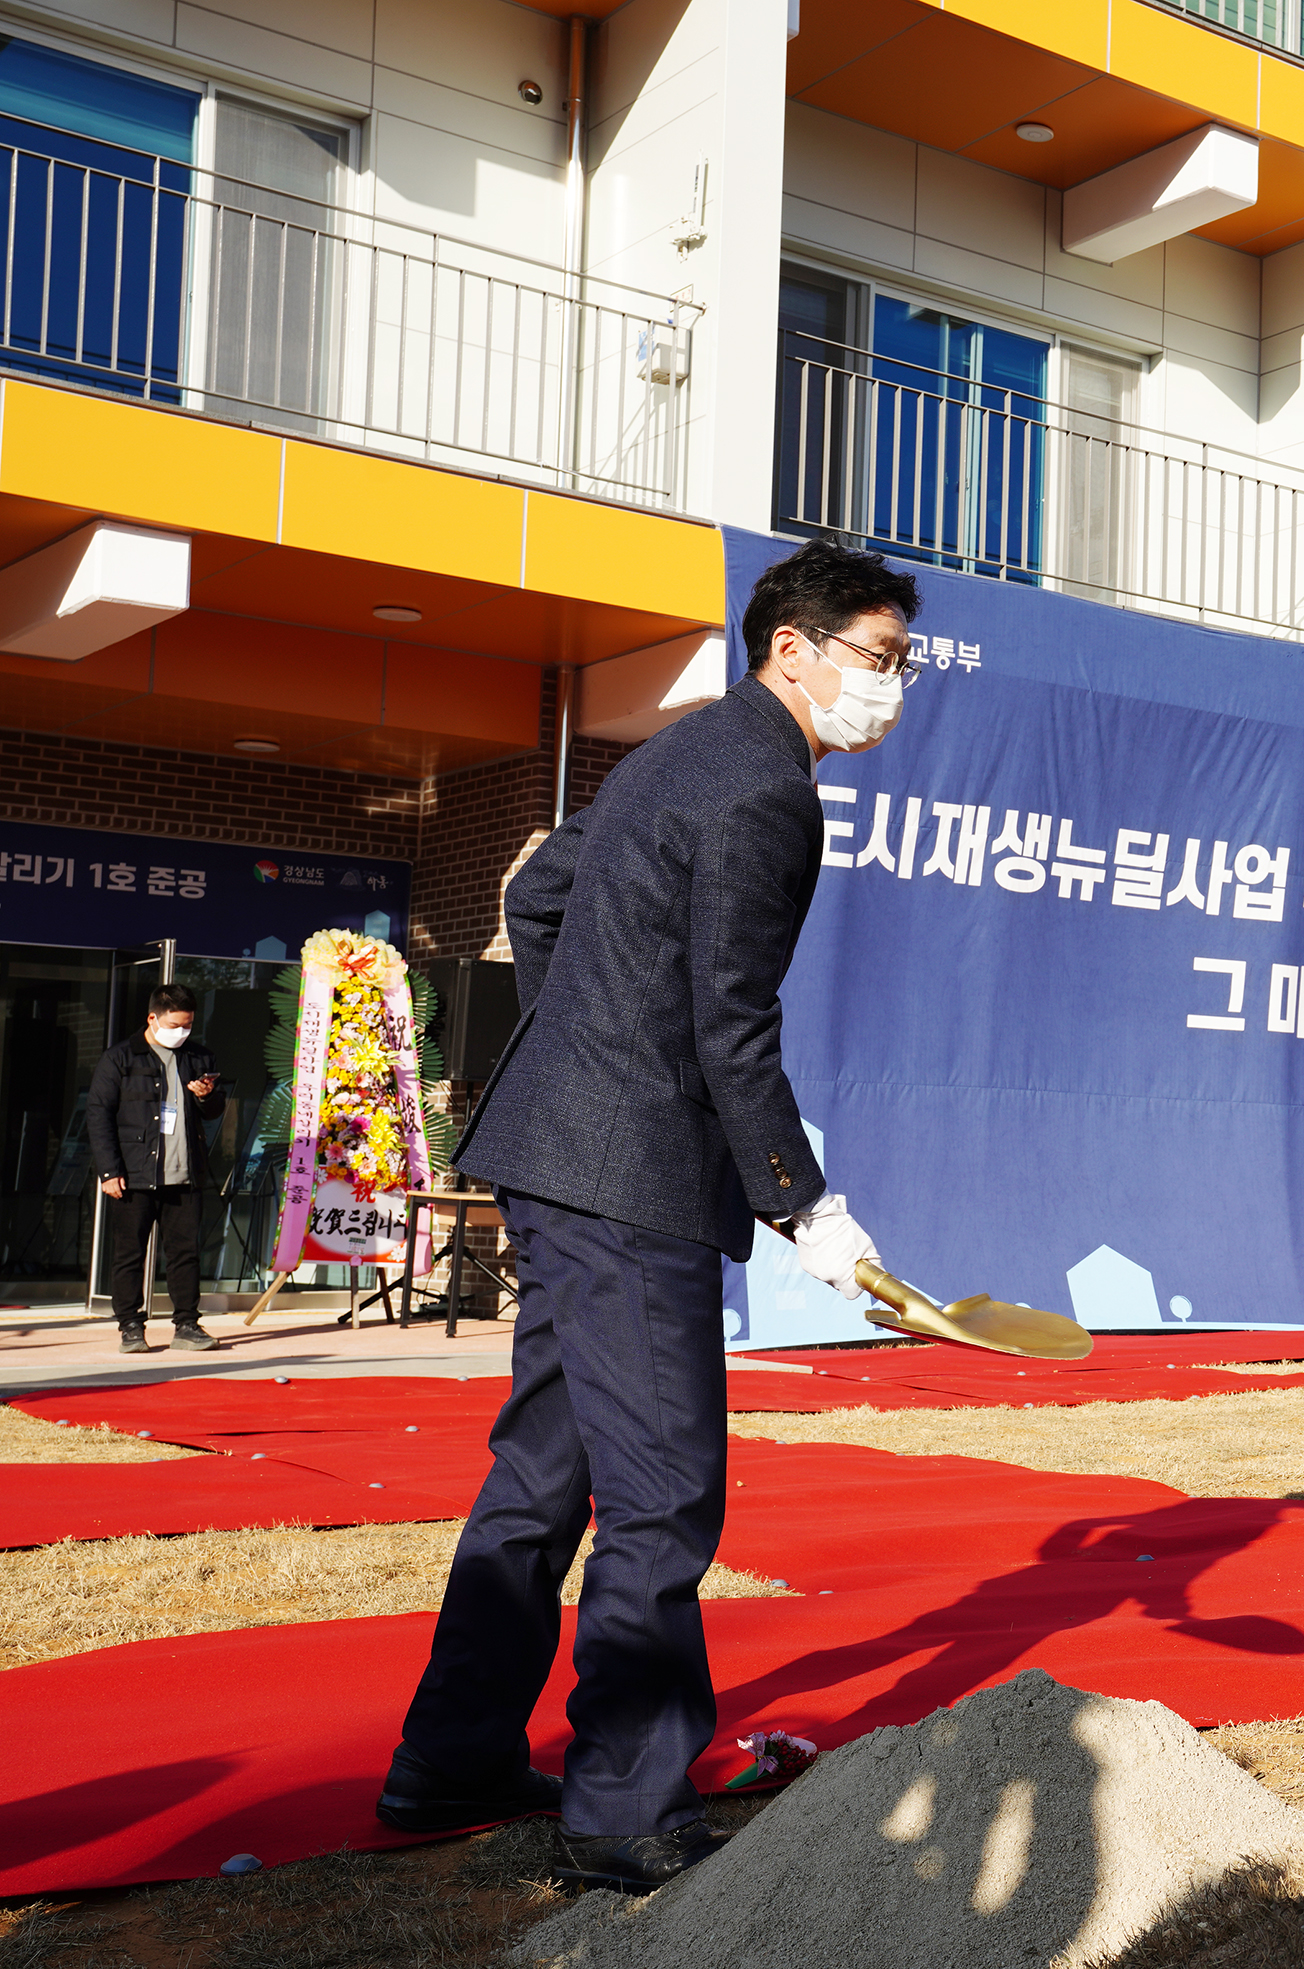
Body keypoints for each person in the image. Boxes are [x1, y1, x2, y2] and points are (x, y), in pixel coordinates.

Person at [377, 541, 922, 1896]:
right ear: (790, 649)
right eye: (877, 658)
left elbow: (534, 895)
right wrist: (806, 1205)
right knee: (665, 1494)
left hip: (562, 1154)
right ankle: (625, 1805)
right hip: (629, 1179)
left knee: (539, 1478)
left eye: (902, 665)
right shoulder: (765, 794)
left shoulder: (670, 754)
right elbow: (731, 1023)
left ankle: (450, 1760)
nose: (892, 690)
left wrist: (584, 1039)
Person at [85, 982, 225, 1354]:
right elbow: (98, 1115)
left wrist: (207, 1097)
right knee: (129, 1253)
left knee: (185, 1253)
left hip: (184, 1173)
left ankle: (187, 1324)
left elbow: (214, 1112)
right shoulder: (120, 1058)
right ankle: (131, 1326)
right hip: (133, 1175)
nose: (182, 1032)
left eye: (188, 1025)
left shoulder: (199, 1058)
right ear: (153, 1018)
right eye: (176, 1024)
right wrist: (109, 1170)